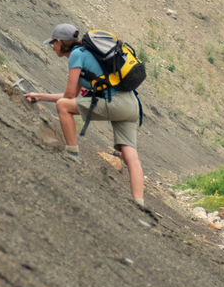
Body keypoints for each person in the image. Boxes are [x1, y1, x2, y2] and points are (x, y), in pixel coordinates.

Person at [25, 23, 146, 207]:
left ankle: (72, 155)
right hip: (131, 104)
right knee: (131, 156)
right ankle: (139, 203)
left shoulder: (76, 55)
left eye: (53, 44)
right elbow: (77, 96)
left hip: (115, 103)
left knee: (63, 106)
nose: (52, 47)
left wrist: (42, 97)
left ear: (58, 42)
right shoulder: (88, 53)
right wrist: (39, 96)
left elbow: (68, 97)